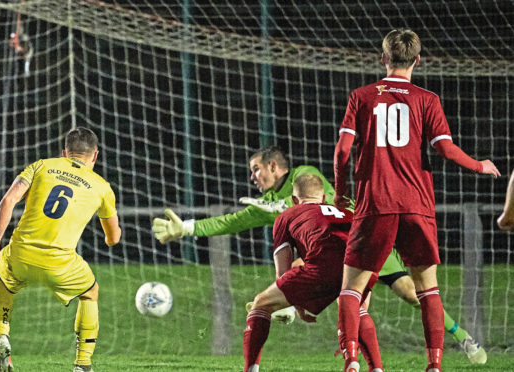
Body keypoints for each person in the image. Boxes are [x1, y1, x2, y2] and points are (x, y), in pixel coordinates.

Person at [153, 145, 486, 360]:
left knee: (411, 293)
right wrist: (186, 227)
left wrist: (277, 208)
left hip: (359, 236)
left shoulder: (302, 175)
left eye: (256, 169)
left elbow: (323, 201)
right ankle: (360, 361)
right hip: (335, 255)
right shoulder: (266, 205)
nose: (252, 177)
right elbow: (231, 221)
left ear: (273, 166)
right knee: (352, 300)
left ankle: (463, 337)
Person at [334, 29, 500, 372]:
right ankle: (435, 366)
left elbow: (342, 151)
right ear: (417, 61)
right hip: (416, 204)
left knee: (351, 291)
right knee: (428, 289)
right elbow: (446, 150)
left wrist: (339, 192)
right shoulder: (427, 99)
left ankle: (352, 361)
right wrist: (479, 164)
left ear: (384, 59)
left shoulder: (362, 96)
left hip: (375, 202)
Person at [0, 127, 121, 372]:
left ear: (65, 152)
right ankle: (83, 364)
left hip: (21, 254)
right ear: (95, 156)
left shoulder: (41, 166)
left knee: (1, 275)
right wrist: (110, 232)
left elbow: (9, 200)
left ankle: (1, 334)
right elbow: (113, 238)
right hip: (60, 263)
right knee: (90, 292)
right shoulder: (102, 187)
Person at [242, 173, 382, 372]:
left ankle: (250, 369)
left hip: (325, 265)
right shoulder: (346, 212)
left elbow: (283, 272)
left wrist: (295, 303)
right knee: (358, 310)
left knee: (260, 304)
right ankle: (375, 368)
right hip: (365, 263)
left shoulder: (287, 216)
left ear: (294, 200)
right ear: (324, 198)